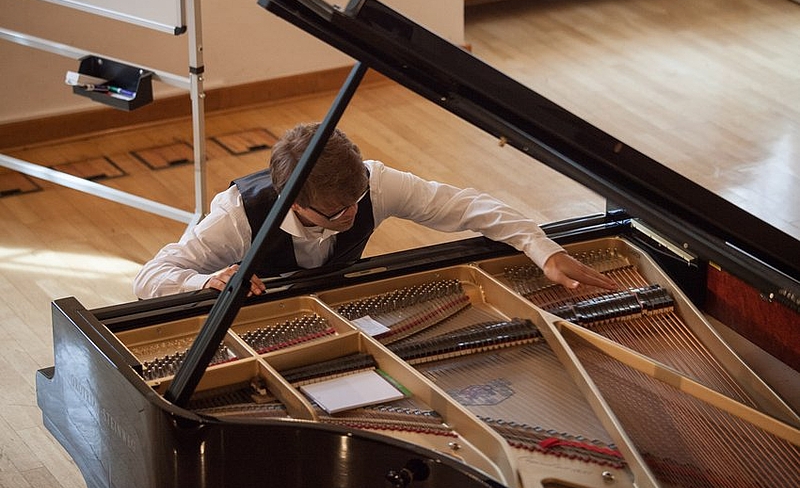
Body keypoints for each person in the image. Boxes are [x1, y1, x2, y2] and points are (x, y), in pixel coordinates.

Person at [133, 122, 616, 299]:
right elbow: (150, 278)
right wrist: (206, 281)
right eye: (336, 212)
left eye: (357, 202)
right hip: (256, 330)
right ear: (295, 202)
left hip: (344, 308)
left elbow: (470, 206)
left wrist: (543, 249)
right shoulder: (237, 215)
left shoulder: (373, 183)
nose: (351, 215)